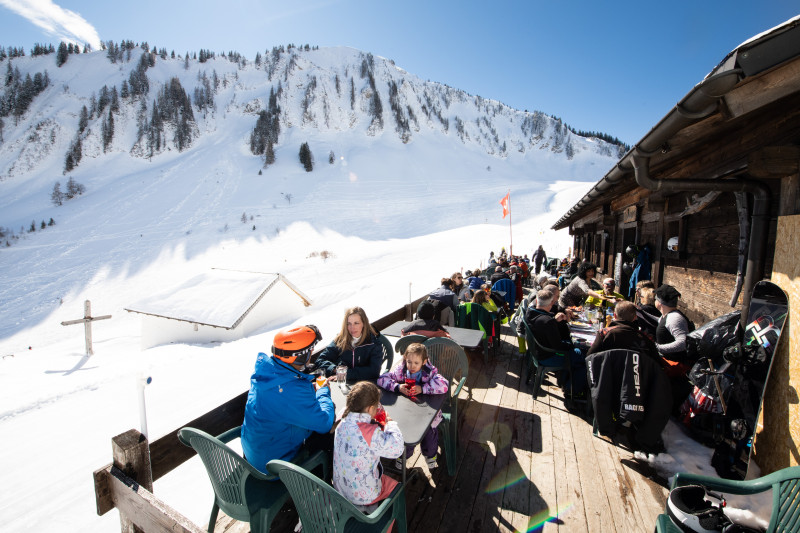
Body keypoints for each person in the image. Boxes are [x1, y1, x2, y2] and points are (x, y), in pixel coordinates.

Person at [241, 325, 336, 474]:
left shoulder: (266, 374)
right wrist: (323, 389)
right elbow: (324, 422)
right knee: (327, 434)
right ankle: (324, 486)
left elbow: (284, 399)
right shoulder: (292, 388)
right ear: (302, 356)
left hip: (254, 456)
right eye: (310, 352)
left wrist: (309, 389)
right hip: (272, 467)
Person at [333, 381, 404, 510]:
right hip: (363, 495)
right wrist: (390, 423)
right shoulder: (369, 432)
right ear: (370, 408)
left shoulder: (341, 419)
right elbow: (397, 449)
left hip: (340, 490)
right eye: (376, 406)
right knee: (396, 487)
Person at [377, 343, 449, 470]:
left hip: (427, 411)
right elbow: (382, 379)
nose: (412, 366)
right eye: (409, 362)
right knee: (405, 432)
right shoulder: (401, 371)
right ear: (405, 359)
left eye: (416, 363)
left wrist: (423, 388)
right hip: (406, 411)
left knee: (429, 434)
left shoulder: (429, 373)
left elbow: (444, 385)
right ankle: (403, 455)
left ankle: (430, 456)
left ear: (424, 361)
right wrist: (398, 387)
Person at [526, 287, 587, 395]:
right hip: (547, 356)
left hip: (537, 352)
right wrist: (574, 345)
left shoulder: (531, 312)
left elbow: (543, 328)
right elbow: (558, 346)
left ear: (536, 301)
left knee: (575, 351)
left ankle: (563, 380)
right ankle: (570, 388)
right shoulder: (547, 321)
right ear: (551, 304)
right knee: (584, 357)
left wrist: (554, 320)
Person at [316, 307, 384, 381]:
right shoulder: (341, 340)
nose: (352, 328)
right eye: (349, 324)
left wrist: (346, 374)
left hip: (365, 384)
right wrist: (335, 369)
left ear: (364, 324)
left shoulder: (374, 343)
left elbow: (374, 371)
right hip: (343, 384)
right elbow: (320, 360)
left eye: (356, 323)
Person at [654, 284, 694, 412]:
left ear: (660, 302)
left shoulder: (674, 318)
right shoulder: (666, 316)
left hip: (676, 367)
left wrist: (659, 348)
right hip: (669, 365)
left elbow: (683, 342)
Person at [586, 301, 659, 359]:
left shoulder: (604, 333)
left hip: (607, 374)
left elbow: (590, 356)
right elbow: (655, 361)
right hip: (635, 375)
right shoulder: (645, 337)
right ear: (635, 318)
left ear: (614, 315)